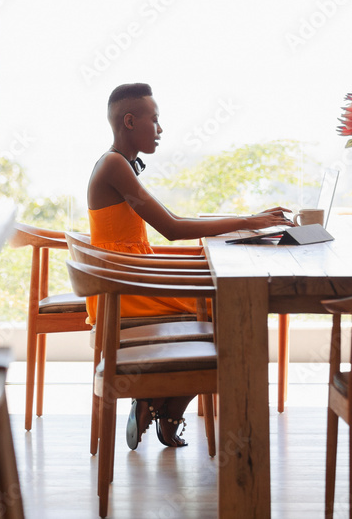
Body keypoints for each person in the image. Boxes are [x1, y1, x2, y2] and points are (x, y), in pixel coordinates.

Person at [87, 82, 292, 448]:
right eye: (156, 120)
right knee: (228, 311)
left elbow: (161, 228)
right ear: (130, 121)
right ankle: (163, 407)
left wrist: (246, 222)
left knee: (219, 303)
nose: (162, 130)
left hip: (131, 277)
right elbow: (171, 228)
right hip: (125, 288)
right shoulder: (114, 165)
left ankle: (160, 405)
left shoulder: (117, 162)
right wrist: (248, 221)